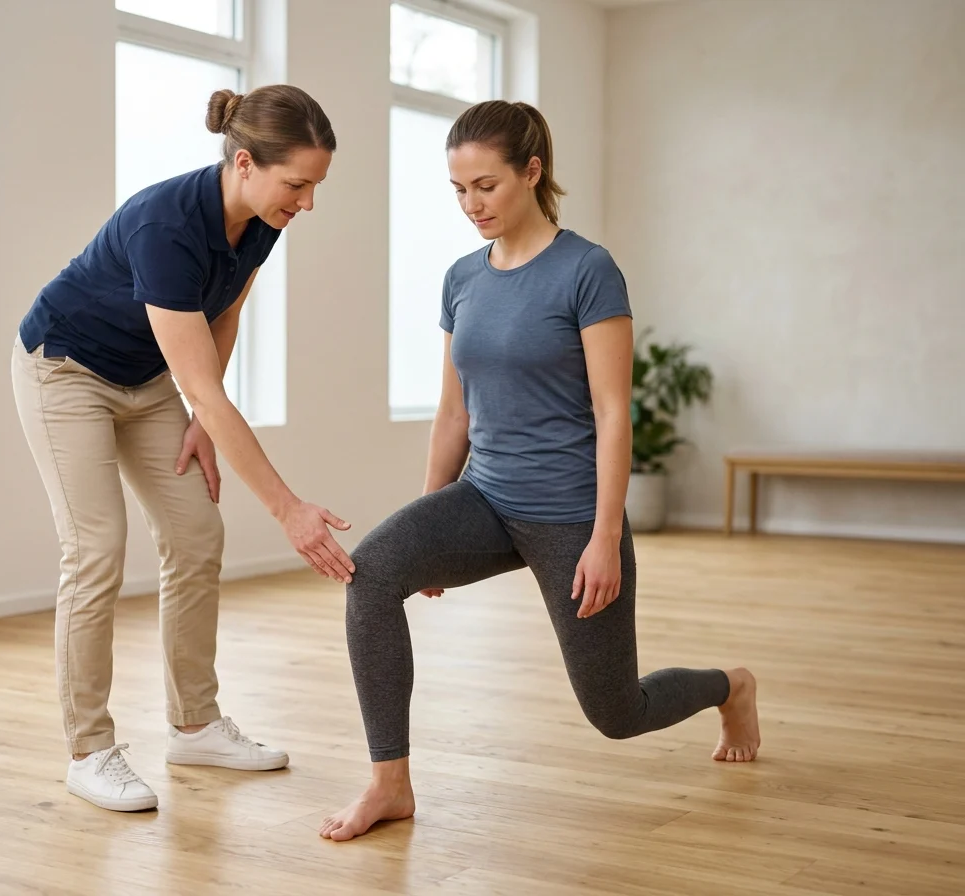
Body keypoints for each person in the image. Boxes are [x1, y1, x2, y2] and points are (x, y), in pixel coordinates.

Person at [319, 100, 760, 842]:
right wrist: (428, 522)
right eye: (459, 190)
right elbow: (454, 414)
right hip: (484, 499)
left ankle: (731, 686)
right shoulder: (462, 278)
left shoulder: (587, 270)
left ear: (532, 171)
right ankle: (389, 785)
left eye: (486, 186)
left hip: (570, 514)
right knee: (373, 575)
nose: (472, 205)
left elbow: (613, 413)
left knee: (616, 713)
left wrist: (603, 536)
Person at [11, 84, 357, 813]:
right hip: (65, 371)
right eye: (297, 185)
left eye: (314, 187)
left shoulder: (261, 218)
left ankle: (195, 725)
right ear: (244, 162)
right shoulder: (163, 226)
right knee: (96, 549)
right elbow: (199, 383)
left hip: (146, 380)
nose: (307, 203)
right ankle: (88, 750)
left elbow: (224, 313)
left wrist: (203, 414)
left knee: (196, 534)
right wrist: (288, 509)